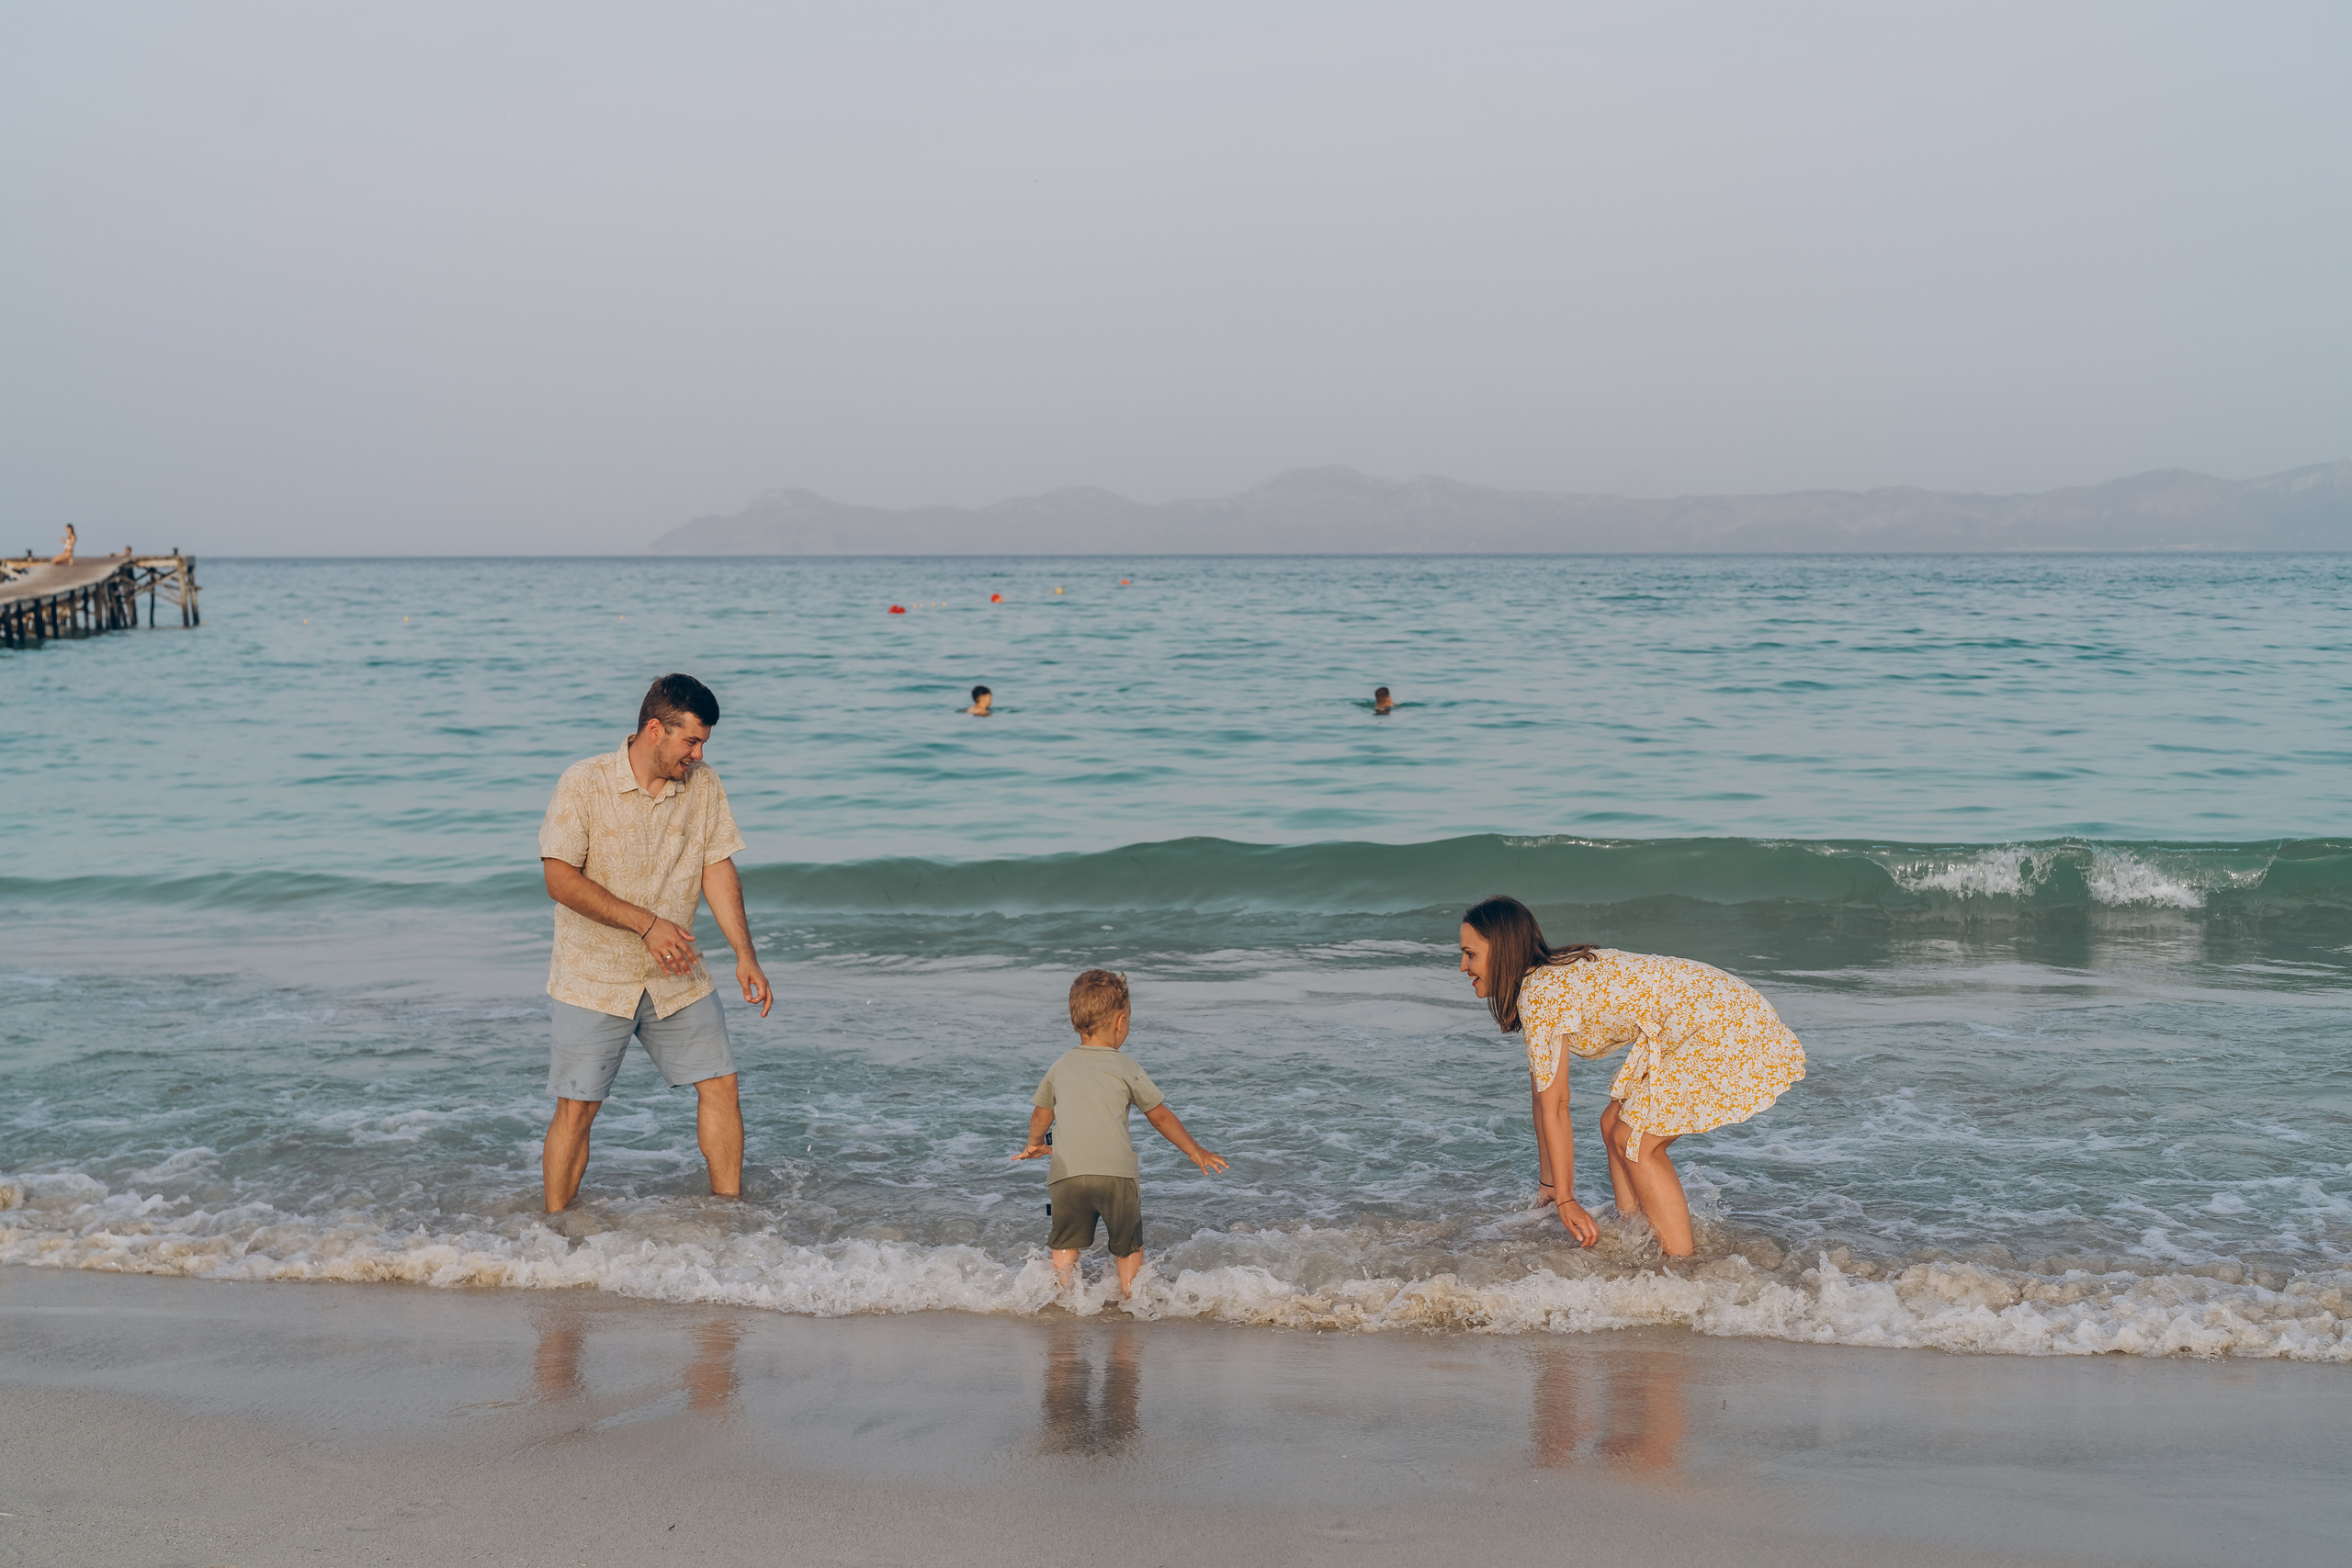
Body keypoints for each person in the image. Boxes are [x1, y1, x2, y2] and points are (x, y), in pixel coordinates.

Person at [537, 673, 773, 1213]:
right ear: (653, 730)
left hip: (676, 973)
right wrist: (646, 924)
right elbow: (559, 879)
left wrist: (745, 955)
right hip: (592, 977)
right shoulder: (584, 782)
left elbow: (717, 866)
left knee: (720, 1086)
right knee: (578, 1108)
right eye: (690, 741)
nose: (698, 753)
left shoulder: (704, 785)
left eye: (704, 743)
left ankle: (728, 1216)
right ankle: (554, 1232)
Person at [1457, 896, 1804, 1258]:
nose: (1463, 966)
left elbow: (1556, 1105)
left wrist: (1568, 1200)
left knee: (1637, 1143)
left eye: (1470, 954)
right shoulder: (1544, 982)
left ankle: (1681, 1267)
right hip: (1709, 1010)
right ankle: (1635, 1231)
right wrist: (1551, 1186)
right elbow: (1541, 1094)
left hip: (1720, 1019)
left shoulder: (1541, 993)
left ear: (1503, 951)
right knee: (1615, 1124)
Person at [1012, 970, 1227, 1298]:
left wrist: (1035, 1144)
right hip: (1116, 1177)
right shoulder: (1127, 1068)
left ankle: (1061, 1294)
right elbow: (1159, 1116)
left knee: (1065, 1242)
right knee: (1127, 1245)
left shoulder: (1059, 1067)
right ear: (1120, 1021)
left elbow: (1042, 1113)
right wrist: (1194, 1150)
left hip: (1067, 1176)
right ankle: (1132, 1297)